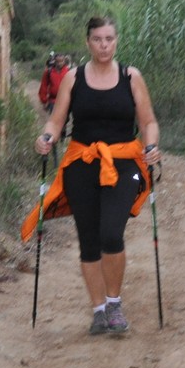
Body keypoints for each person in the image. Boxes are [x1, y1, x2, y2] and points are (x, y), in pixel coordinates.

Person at [29, 16, 161, 335]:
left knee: (111, 234)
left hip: (123, 164)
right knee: (88, 239)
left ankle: (114, 303)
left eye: (109, 39)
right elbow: (57, 121)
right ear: (88, 42)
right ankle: (98, 310)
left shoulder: (131, 76)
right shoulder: (73, 78)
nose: (104, 45)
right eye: (98, 39)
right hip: (81, 164)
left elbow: (148, 122)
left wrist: (152, 145)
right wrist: (46, 137)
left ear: (117, 41)